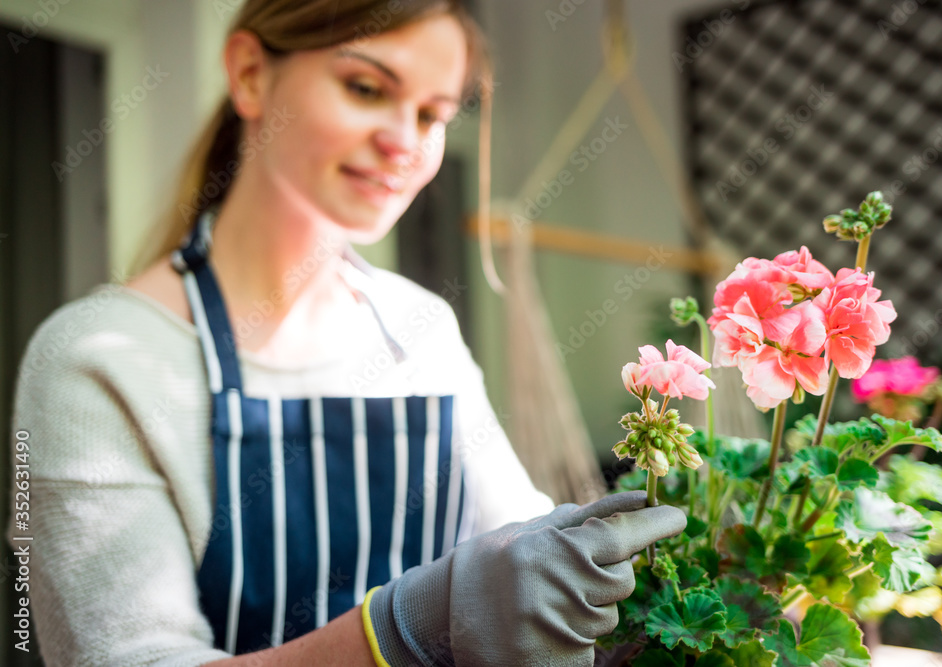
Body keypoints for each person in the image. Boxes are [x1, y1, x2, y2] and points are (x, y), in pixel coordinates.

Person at [5, 1, 685, 665]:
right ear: (248, 72)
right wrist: (399, 630)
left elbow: (518, 553)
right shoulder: (96, 362)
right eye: (366, 88)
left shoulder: (422, 330)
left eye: (432, 114)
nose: (404, 141)